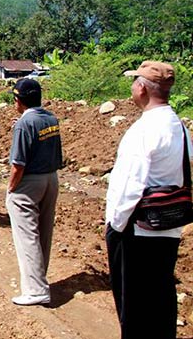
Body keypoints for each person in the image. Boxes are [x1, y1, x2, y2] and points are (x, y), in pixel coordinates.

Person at [106, 60, 190, 339]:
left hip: (137, 230)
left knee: (135, 309)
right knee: (161, 298)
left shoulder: (143, 131)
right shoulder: (180, 127)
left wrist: (115, 226)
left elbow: (130, 185)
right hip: (169, 225)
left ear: (142, 88)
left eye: (134, 82)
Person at [6, 78, 63, 306]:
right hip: (51, 179)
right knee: (43, 233)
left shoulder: (24, 125)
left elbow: (18, 164)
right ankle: (40, 278)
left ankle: (36, 290)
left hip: (29, 183)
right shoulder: (50, 118)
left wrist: (11, 189)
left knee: (27, 236)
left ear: (19, 100)